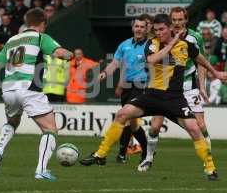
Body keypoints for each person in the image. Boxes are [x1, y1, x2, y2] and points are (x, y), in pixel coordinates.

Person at [80, 14, 227, 180]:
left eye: (162, 29)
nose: (159, 33)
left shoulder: (185, 45)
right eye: (156, 30)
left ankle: (210, 169)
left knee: (194, 129)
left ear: (171, 28)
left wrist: (215, 72)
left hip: (174, 98)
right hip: (152, 95)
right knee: (123, 114)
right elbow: (152, 60)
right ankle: (100, 154)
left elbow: (199, 57)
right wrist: (172, 43)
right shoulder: (152, 44)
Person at [0, 8, 73, 181]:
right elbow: (60, 53)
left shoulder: (12, 40)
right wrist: (70, 55)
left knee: (12, 122)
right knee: (50, 129)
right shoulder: (40, 37)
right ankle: (41, 171)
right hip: (29, 88)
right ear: (43, 23)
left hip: (8, 89)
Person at [139, 7, 212, 172]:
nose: (177, 23)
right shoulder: (162, 38)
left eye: (180, 20)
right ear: (170, 22)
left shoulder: (195, 38)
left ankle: (208, 163)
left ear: (186, 20)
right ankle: (148, 158)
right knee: (155, 126)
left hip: (188, 84)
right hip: (166, 88)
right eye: (174, 20)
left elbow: (201, 61)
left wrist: (202, 86)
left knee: (200, 125)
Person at [98, 16, 149, 164]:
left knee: (125, 118)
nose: (138, 29)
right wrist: (105, 73)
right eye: (136, 26)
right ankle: (146, 151)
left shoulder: (150, 46)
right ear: (133, 28)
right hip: (127, 86)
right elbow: (115, 63)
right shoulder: (124, 45)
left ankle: (120, 153)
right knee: (132, 123)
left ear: (146, 29)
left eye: (141, 27)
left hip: (141, 86)